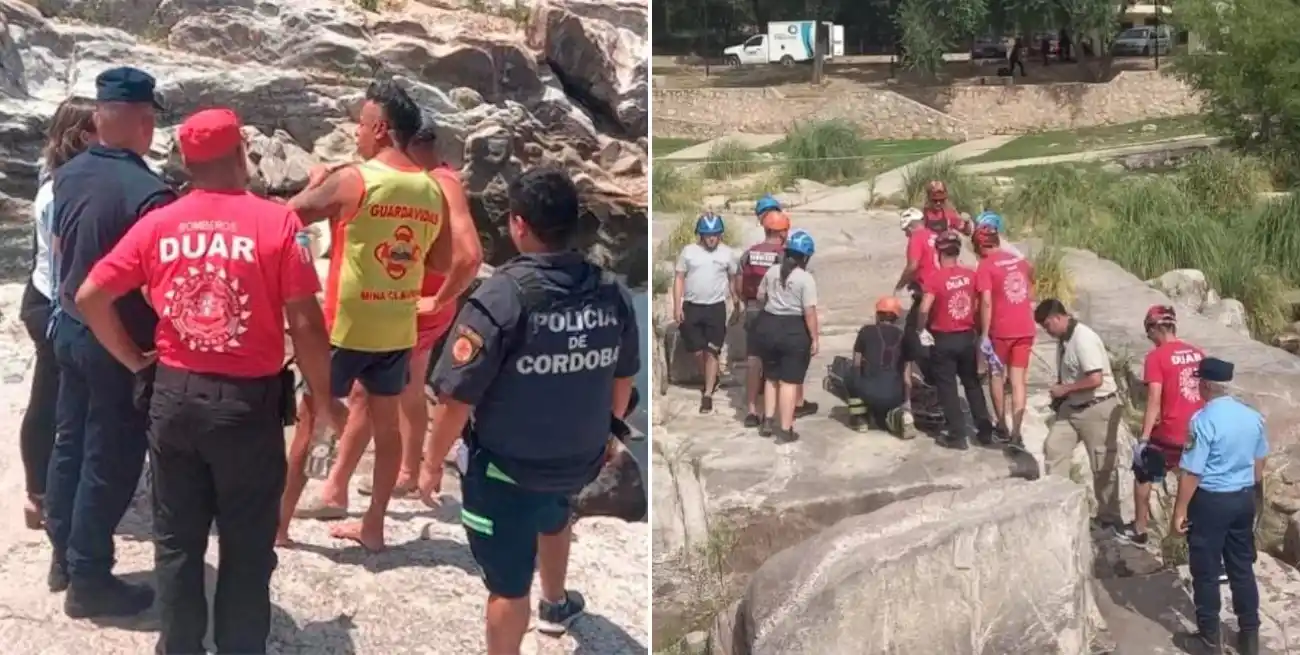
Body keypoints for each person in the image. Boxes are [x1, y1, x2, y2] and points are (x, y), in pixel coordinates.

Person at [75, 108, 334, 655]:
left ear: (188, 164)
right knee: (246, 544)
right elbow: (307, 322)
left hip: (174, 397)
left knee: (177, 542)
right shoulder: (276, 223)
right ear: (241, 155)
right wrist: (324, 400)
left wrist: (135, 360)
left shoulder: (159, 223)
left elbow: (89, 297)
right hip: (246, 406)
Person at [415, 168, 640, 654]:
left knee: (507, 587)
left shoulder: (501, 296)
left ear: (518, 224)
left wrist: (430, 465)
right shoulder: (611, 291)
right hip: (578, 460)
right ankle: (556, 603)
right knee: (554, 511)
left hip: (505, 470)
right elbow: (623, 378)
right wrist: (608, 437)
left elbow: (456, 398)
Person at [280, 79, 452, 552]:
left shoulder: (355, 178)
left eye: (360, 124)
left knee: (309, 422)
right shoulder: (430, 188)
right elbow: (440, 262)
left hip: (344, 325)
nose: (356, 133)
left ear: (379, 128)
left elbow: (288, 218)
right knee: (386, 427)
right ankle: (373, 526)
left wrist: (317, 187)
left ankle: (280, 527)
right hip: (396, 326)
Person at [45, 67, 176, 616]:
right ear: (145, 123)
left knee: (69, 442)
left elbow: (57, 250)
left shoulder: (70, 172)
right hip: (115, 343)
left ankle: (64, 558)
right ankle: (90, 580)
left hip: (69, 327)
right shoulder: (150, 193)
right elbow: (159, 290)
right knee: (111, 458)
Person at [306, 110, 483, 504]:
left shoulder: (438, 184)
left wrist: (437, 299)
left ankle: (335, 488)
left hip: (409, 304)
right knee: (408, 390)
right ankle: (409, 471)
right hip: (412, 303)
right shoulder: (433, 179)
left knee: (364, 394)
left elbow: (469, 256)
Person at [19, 96, 95, 530]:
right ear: (84, 134)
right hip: (53, 302)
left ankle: (43, 489)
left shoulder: (53, 178)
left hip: (42, 293)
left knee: (51, 395)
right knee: (51, 398)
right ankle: (41, 493)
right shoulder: (64, 186)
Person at [1172, 357, 1266, 655]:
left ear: (1208, 385)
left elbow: (1192, 472)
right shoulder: (1252, 416)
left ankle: (1209, 637)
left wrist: (1180, 510)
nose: (1198, 385)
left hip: (1211, 501)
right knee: (1241, 568)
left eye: (1200, 381)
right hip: (1242, 498)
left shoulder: (1203, 420)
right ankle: (1249, 636)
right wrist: (1247, 486)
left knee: (1206, 570)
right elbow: (1260, 460)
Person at [1116, 305, 1205, 545]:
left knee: (1143, 473)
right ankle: (1190, 531)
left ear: (1156, 328)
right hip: (1197, 432)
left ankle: (1140, 529)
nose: (1148, 338)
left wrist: (1144, 438)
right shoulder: (1198, 353)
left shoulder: (1156, 357)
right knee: (1193, 479)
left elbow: (1154, 399)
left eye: (1148, 332)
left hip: (1170, 432)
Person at [1035, 298, 1123, 529]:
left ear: (1057, 318)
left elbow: (1095, 378)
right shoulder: (1064, 339)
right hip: (1071, 407)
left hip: (1096, 406)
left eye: (1047, 326)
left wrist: (1065, 388)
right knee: (1054, 447)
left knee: (1102, 464)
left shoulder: (1083, 339)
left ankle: (1109, 517)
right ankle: (1060, 505)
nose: (1047, 331)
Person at [917, 231, 994, 449]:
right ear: (958, 251)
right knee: (972, 384)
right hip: (967, 336)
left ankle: (957, 434)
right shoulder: (970, 275)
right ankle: (985, 429)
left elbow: (924, 308)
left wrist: (921, 328)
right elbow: (981, 303)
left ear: (938, 252)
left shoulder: (935, 278)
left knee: (947, 386)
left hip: (943, 338)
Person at [752, 230, 819, 443]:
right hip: (793, 329)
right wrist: (815, 338)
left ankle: (767, 420)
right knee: (789, 381)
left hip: (768, 325)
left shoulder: (772, 272)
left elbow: (760, 296)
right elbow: (809, 312)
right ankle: (786, 428)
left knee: (771, 377)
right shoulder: (806, 279)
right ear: (805, 257)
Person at [973, 225, 1035, 444]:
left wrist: (984, 334)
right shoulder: (1019, 261)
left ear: (980, 246)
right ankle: (1017, 431)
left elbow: (986, 301)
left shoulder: (985, 266)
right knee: (1018, 381)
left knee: (996, 375)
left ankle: (1001, 425)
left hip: (1001, 330)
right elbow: (1030, 289)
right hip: (1025, 327)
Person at [672, 212, 739, 414]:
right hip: (692, 307)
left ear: (720, 235)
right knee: (697, 351)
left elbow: (733, 277)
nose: (712, 238)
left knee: (712, 352)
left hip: (715, 308)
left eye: (715, 234)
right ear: (700, 235)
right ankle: (712, 377)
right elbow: (679, 278)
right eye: (707, 234)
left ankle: (708, 393)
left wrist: (735, 299)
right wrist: (677, 305)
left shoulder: (727, 253)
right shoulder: (688, 252)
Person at [737, 209, 789, 426]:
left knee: (753, 361)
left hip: (752, 309)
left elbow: (739, 285)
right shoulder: (784, 255)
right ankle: (776, 411)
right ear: (782, 232)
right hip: (776, 312)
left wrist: (746, 302)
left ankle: (751, 410)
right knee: (779, 359)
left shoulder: (749, 253)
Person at [845, 296, 915, 437]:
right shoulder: (904, 336)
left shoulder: (866, 331)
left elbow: (856, 363)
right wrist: (906, 403)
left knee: (848, 373)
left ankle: (860, 418)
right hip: (894, 395)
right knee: (886, 413)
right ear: (896, 317)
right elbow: (907, 376)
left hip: (868, 393)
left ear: (877, 315)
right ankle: (901, 415)